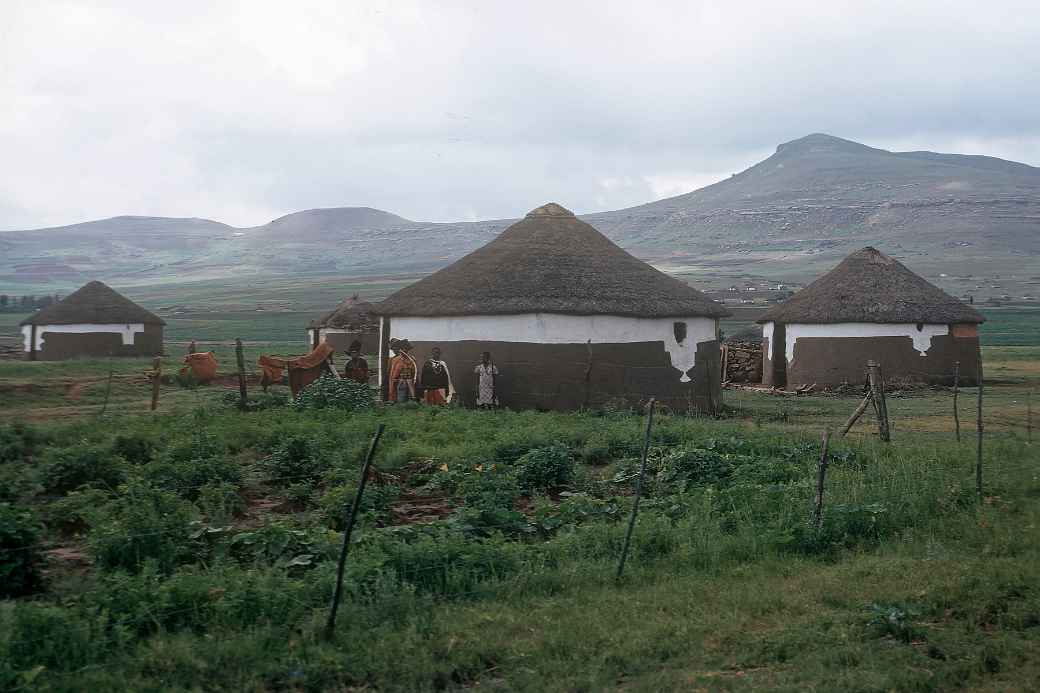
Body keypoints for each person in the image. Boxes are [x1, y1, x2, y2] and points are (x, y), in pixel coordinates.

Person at [387, 338, 417, 402]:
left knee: (411, 402)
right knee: (401, 401)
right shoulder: (394, 360)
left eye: (406, 348)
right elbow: (392, 375)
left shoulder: (412, 359)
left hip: (411, 384)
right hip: (400, 383)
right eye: (403, 348)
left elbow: (415, 373)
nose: (404, 350)